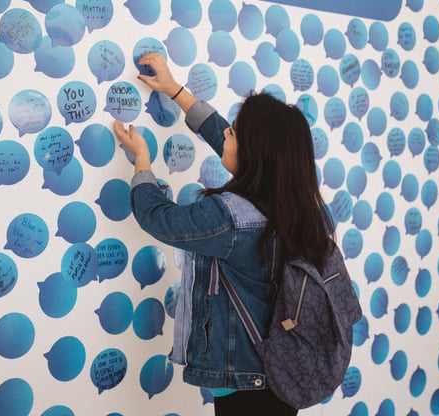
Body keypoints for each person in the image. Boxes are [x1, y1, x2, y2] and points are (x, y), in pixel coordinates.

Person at [112, 52, 335, 415]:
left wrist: (141, 161)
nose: (225, 134)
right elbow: (232, 147)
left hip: (248, 390)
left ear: (254, 154)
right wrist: (176, 91)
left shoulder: (229, 219)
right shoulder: (305, 209)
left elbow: (158, 218)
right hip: (282, 373)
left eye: (233, 132)